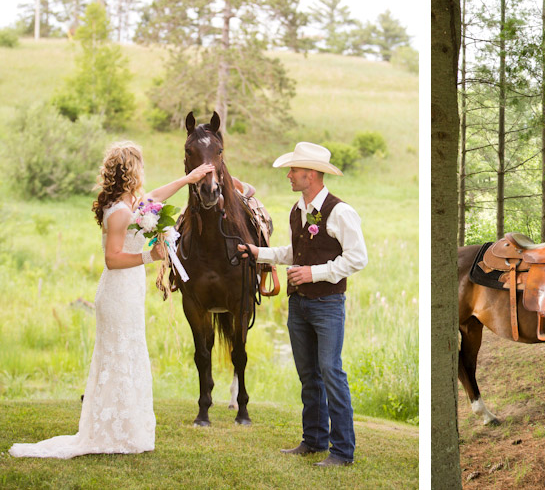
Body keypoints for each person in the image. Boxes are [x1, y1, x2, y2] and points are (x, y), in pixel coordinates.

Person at [9, 142, 213, 459]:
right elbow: (112, 259)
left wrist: (188, 179)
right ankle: (112, 431)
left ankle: (127, 427)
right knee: (118, 357)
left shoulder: (130, 203)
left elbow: (155, 197)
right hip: (117, 292)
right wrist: (150, 255)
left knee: (129, 356)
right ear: (132, 170)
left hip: (129, 292)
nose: (144, 171)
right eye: (141, 165)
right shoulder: (119, 212)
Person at [238, 142, 367, 468]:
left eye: (293, 170)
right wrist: (258, 253)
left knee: (331, 373)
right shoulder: (297, 210)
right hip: (299, 305)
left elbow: (357, 258)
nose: (289, 175)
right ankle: (313, 440)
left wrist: (315, 273)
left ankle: (342, 451)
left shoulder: (341, 212)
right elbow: (296, 253)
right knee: (309, 375)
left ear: (310, 174)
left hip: (328, 304)